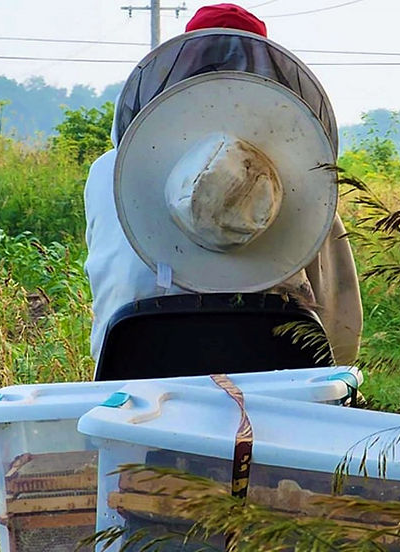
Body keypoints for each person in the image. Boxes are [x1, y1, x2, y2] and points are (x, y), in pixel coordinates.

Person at [84, 3, 362, 367]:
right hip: (271, 377)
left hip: (132, 371)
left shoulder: (105, 173)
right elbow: (340, 319)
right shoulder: (303, 183)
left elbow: (109, 284)